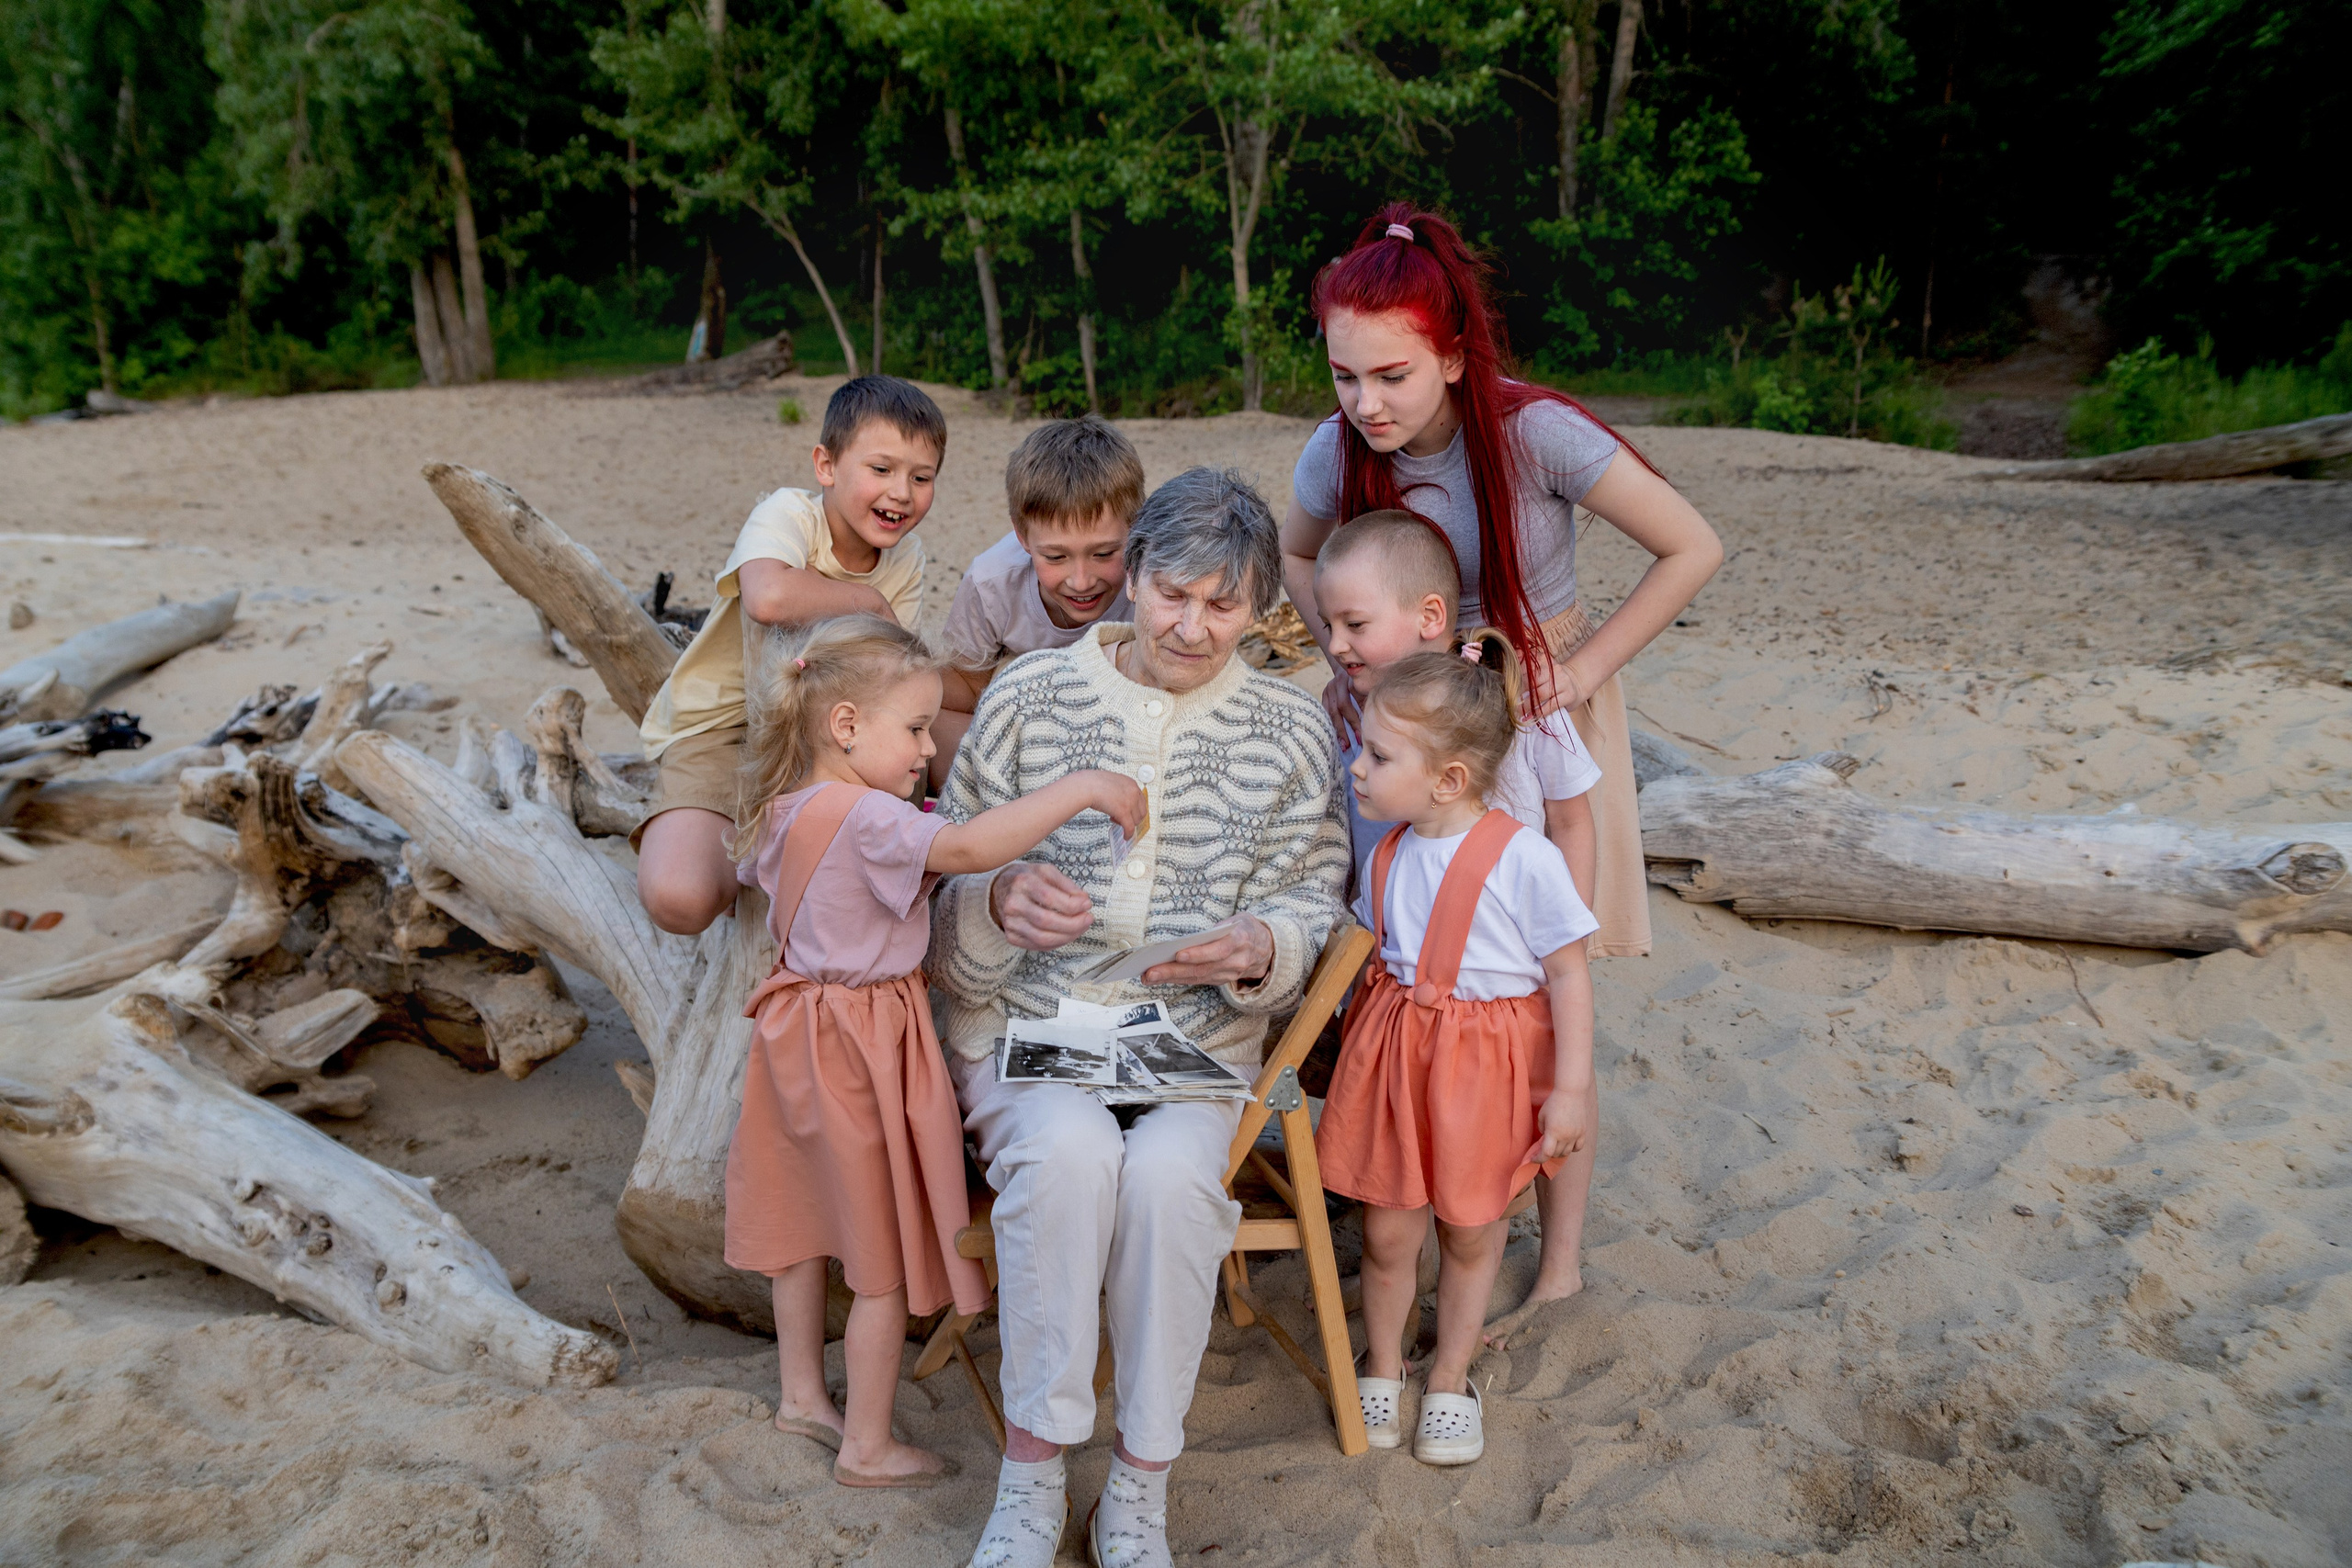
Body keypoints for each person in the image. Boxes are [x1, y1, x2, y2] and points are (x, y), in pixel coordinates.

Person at [1280, 203, 1722, 1309]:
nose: (1364, 404)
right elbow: (1295, 548)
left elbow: (1691, 545)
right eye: (1343, 377)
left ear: (1452, 353)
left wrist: (1570, 672)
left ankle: (1557, 1258)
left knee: (1536, 989)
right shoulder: (1336, 449)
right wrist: (1345, 659)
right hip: (1405, 715)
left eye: (1391, 376)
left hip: (1528, 711)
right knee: (1417, 970)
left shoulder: (1534, 434)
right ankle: (1408, 1209)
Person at [930, 468, 1349, 1568]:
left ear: (1259, 608)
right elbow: (947, 867)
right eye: (1172, 595)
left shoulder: (1290, 732)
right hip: (1031, 1018)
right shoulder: (1028, 696)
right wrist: (995, 899)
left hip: (1195, 1043)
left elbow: (1314, 893)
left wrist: (1263, 946)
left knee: (1169, 1184)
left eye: (1224, 606)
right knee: (1065, 1155)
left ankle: (1139, 1482)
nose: (1192, 627)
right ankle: (1031, 1472)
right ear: (1132, 579)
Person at [722, 613, 1144, 1490]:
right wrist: (1084, 786)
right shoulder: (871, 817)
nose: (926, 748)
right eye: (914, 728)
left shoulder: (787, 804)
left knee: (801, 1230)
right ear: (845, 725)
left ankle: (802, 1392)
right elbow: (963, 846)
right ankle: (867, 1444)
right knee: (879, 1255)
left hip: (793, 1033)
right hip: (863, 1043)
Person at [1315, 644, 1598, 1465]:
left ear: (1448, 779)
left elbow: (1570, 977)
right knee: (1388, 1231)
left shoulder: (1524, 858)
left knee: (1471, 1232)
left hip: (1484, 1072)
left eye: (1377, 754)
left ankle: (1448, 1376)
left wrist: (1570, 1089)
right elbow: (1373, 953)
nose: (1357, 767)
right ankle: (1382, 1362)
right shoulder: (1389, 852)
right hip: (1399, 1066)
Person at [635, 375, 945, 937]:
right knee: (679, 899)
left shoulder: (906, 558)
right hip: (724, 727)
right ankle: (743, 862)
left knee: (870, 872)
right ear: (826, 466)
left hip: (824, 734)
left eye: (921, 478)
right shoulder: (790, 515)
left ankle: (783, 856)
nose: (901, 492)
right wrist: (867, 601)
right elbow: (768, 597)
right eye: (881, 470)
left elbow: (887, 681)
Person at [1314, 512, 1600, 896]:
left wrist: (1570, 938)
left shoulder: (1521, 700)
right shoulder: (1348, 711)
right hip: (1393, 942)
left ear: (1430, 617)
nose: (1334, 646)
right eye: (1329, 626)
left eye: (1356, 625)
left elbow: (1571, 823)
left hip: (1506, 945)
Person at [930, 413, 1143, 788]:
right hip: (1024, 742)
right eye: (1056, 557)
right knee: (930, 723)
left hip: (1123, 735)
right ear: (1022, 535)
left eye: (1105, 554)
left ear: (1137, 526)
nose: (1081, 581)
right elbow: (960, 694)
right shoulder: (991, 583)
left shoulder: (1155, 580)